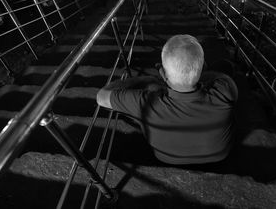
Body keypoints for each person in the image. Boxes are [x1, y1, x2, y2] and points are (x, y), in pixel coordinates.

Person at [96, 34, 238, 165]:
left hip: (167, 158)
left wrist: (145, 79)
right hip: (219, 154)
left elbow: (101, 97)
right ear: (203, 66)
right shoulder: (225, 90)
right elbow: (221, 77)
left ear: (164, 72)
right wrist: (200, 74)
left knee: (152, 87)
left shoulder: (144, 102)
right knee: (225, 65)